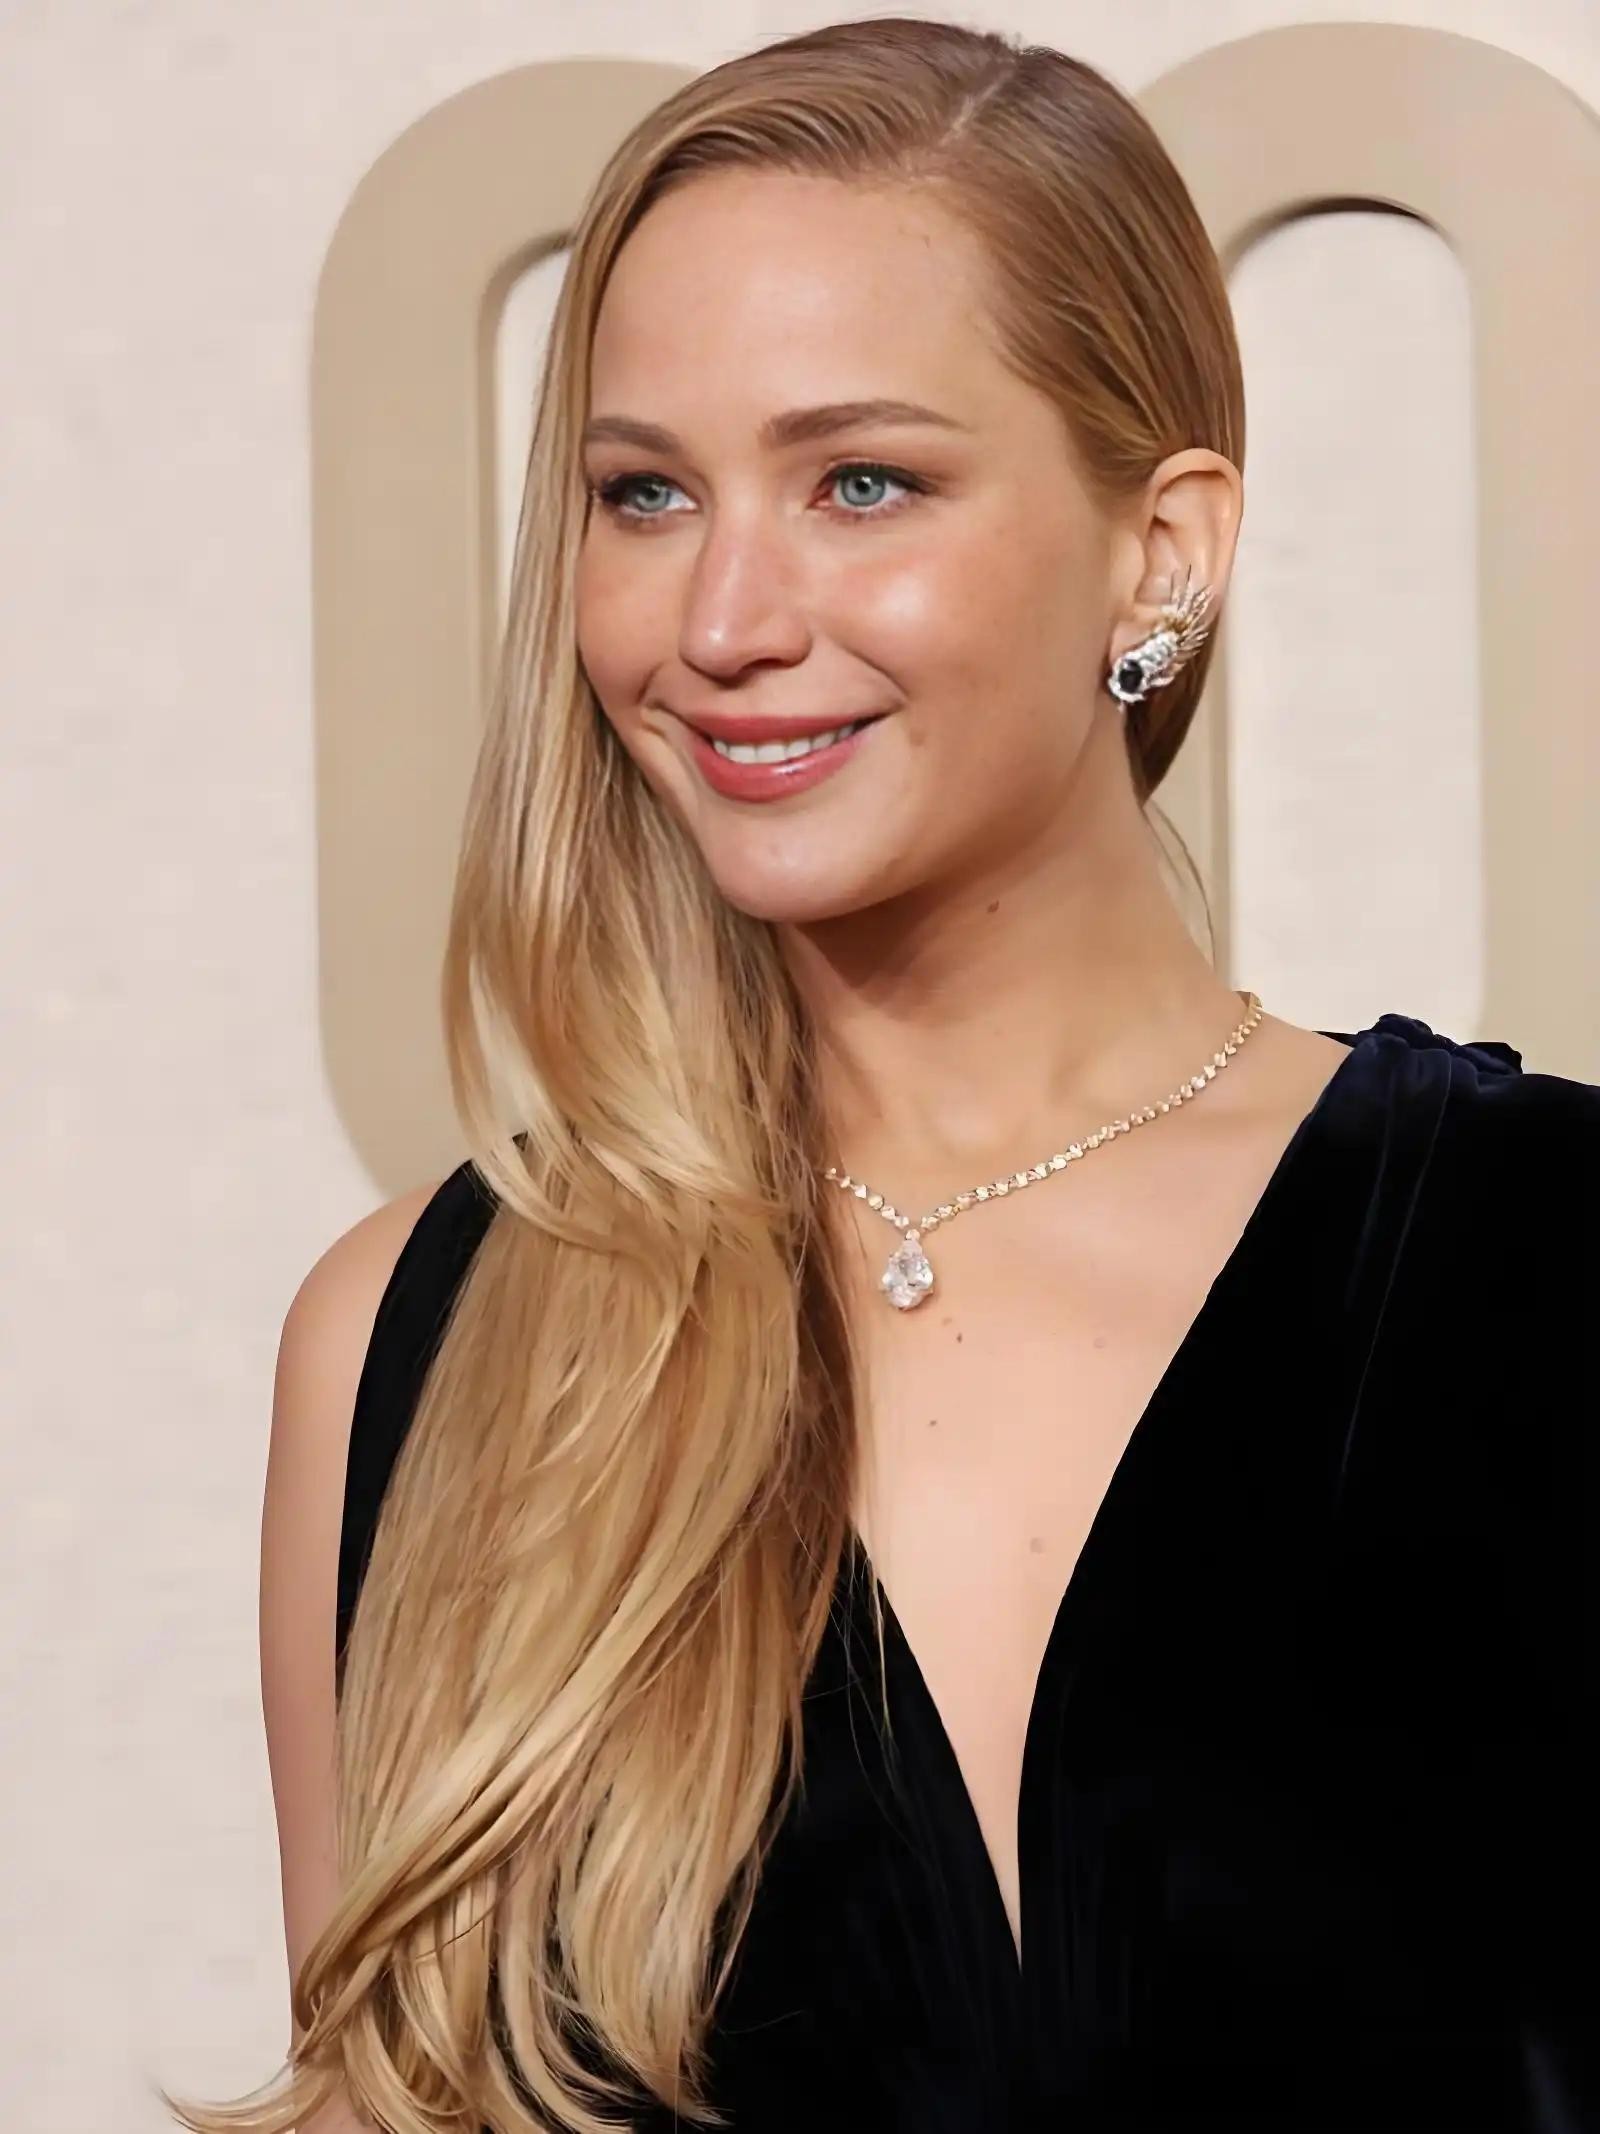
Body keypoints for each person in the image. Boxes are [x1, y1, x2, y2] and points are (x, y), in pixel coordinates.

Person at [162, 17, 1598, 2134]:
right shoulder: (418, 1343)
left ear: (1160, 549)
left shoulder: (1554, 1258)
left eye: (861, 483)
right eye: (645, 493)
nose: (722, 615)